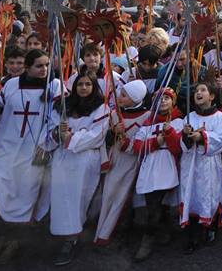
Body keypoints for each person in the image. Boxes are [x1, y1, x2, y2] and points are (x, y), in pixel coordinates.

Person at [0, 49, 60, 264]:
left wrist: (46, 144)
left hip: (33, 151)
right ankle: (0, 238)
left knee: (23, 196)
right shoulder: (11, 85)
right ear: (28, 67)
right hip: (7, 147)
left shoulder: (54, 87)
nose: (44, 69)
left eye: (46, 65)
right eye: (39, 66)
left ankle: (14, 242)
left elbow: (56, 119)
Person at [46, 68, 109, 265]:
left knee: (78, 197)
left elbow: (97, 135)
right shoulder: (63, 106)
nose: (83, 87)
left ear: (94, 86)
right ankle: (66, 234)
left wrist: (71, 137)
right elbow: (51, 129)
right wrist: (58, 133)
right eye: (80, 84)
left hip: (85, 159)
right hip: (63, 158)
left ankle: (72, 238)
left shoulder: (102, 108)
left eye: (87, 84)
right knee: (61, 197)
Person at [94, 79, 151, 246]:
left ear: (136, 98)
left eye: (125, 95)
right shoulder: (114, 114)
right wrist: (113, 132)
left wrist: (128, 143)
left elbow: (145, 140)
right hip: (114, 159)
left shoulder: (147, 116)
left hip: (132, 162)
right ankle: (103, 230)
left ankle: (117, 231)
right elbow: (105, 139)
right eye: (121, 93)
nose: (120, 96)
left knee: (124, 197)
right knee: (109, 195)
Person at [131, 88, 184, 262]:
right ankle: (163, 230)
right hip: (150, 167)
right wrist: (157, 141)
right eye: (159, 99)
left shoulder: (178, 121)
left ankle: (148, 239)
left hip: (168, 166)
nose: (163, 102)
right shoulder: (148, 123)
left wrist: (169, 134)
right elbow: (138, 147)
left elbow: (178, 148)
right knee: (154, 204)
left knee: (158, 204)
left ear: (173, 101)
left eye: (167, 98)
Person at [179, 80, 222, 253]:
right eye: (196, 91)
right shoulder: (189, 116)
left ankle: (211, 227)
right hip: (192, 163)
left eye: (203, 90)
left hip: (210, 164)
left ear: (212, 96)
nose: (198, 93)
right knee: (192, 195)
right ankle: (193, 235)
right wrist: (186, 135)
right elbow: (183, 144)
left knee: (210, 194)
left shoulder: (220, 117)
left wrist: (203, 137)